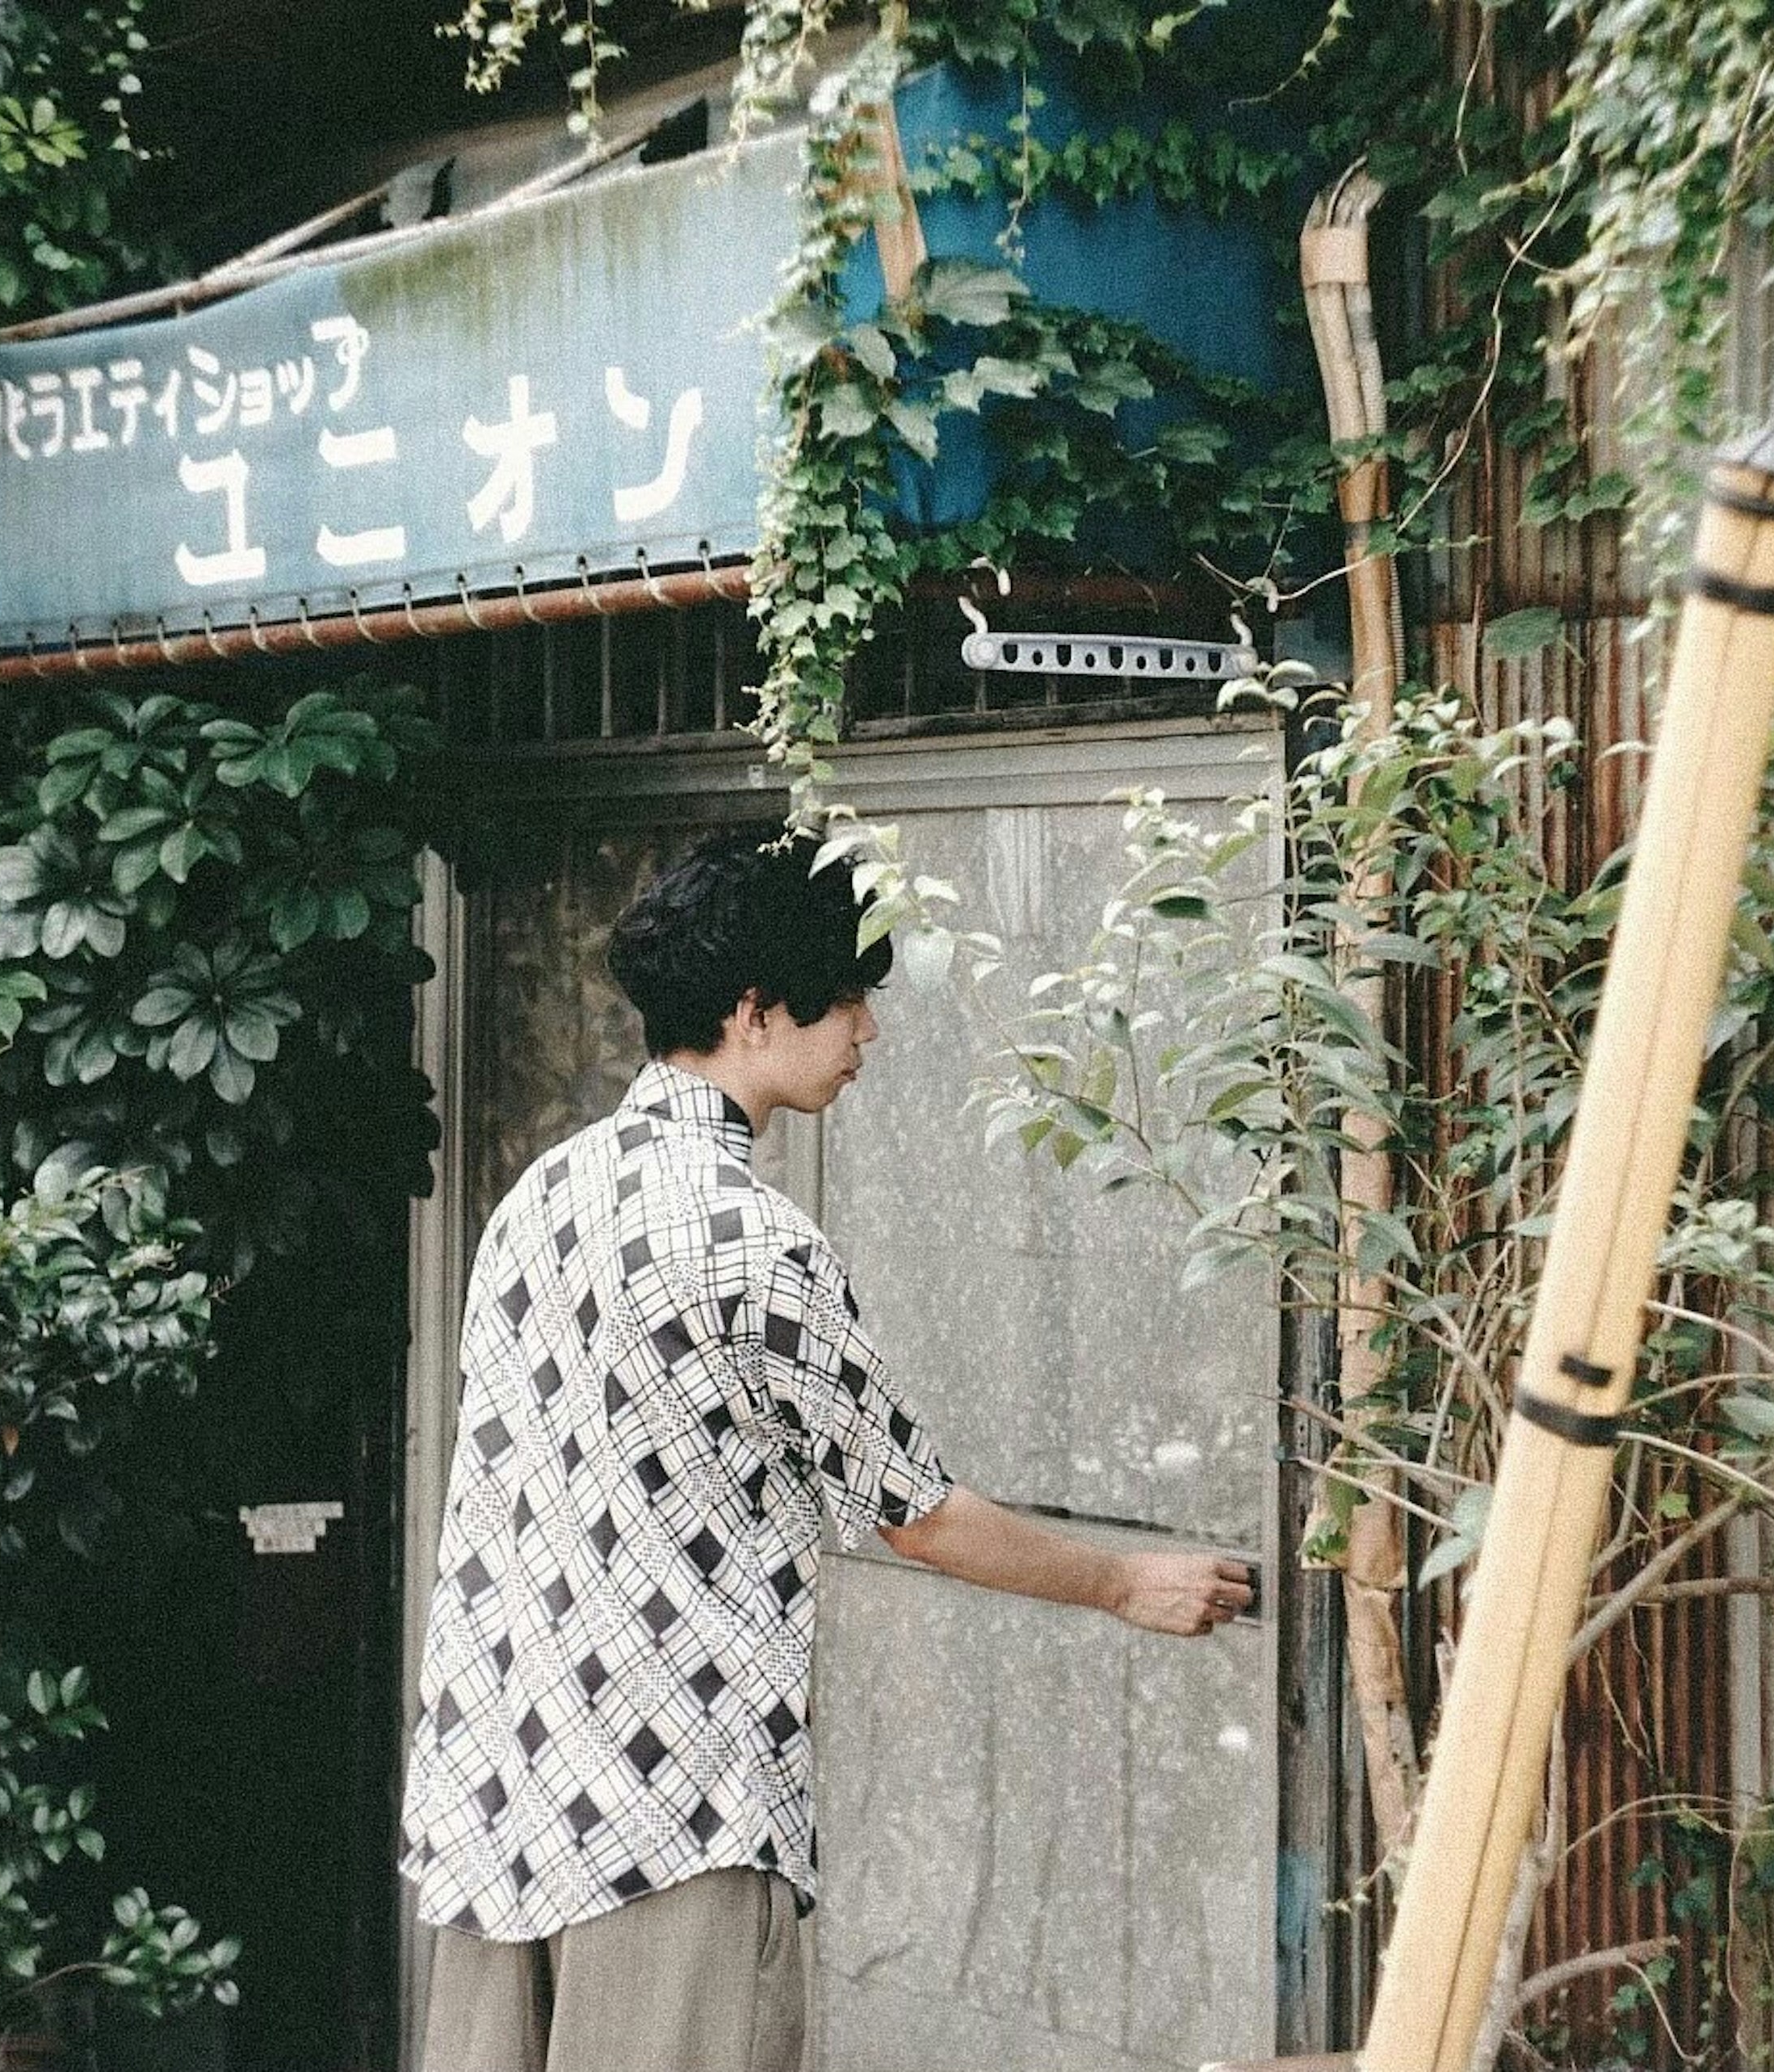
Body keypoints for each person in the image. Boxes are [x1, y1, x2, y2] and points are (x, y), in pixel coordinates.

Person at [401, 828, 1254, 2072]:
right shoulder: (755, 1242)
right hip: (669, 1814)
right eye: (852, 998)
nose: (869, 1033)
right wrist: (1127, 1582)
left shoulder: (539, 1197)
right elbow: (914, 1509)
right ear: (757, 1010)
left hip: (500, 1795)